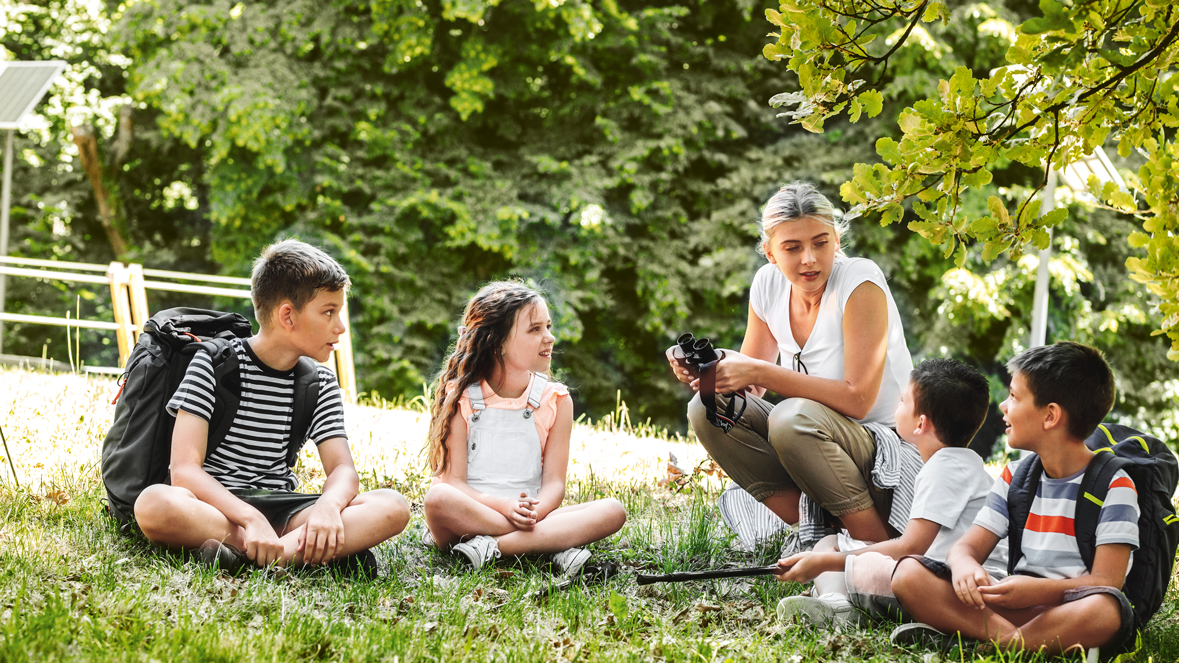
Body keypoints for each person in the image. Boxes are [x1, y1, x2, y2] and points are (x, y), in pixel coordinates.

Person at [134, 240, 411, 577]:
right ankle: (305, 551)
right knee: (154, 504)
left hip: (285, 509)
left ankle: (253, 554)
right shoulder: (213, 362)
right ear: (287, 316)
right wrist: (249, 518)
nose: (340, 326)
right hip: (217, 506)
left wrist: (328, 507)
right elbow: (185, 471)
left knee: (392, 506)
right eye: (329, 312)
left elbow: (342, 471)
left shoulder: (320, 383)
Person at [666, 182, 915, 544]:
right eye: (792, 248)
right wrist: (708, 373)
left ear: (837, 241)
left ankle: (875, 546)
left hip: (881, 448)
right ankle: (816, 532)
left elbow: (857, 400)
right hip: (813, 441)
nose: (809, 258)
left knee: (789, 417)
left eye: (820, 242)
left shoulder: (860, 281)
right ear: (770, 253)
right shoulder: (768, 285)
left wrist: (757, 370)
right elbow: (749, 389)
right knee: (705, 408)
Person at [890, 342, 1138, 661]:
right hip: (1012, 607)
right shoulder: (1015, 477)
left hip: (1072, 611)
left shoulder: (1114, 484)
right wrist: (965, 568)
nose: (1004, 407)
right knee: (909, 575)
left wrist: (1036, 591)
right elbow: (966, 548)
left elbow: (1107, 581)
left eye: (1014, 397)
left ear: (1050, 416)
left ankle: (990, 646)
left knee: (1107, 610)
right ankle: (1017, 642)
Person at [771, 358, 1008, 627]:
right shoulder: (964, 463)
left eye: (903, 401)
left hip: (950, 588)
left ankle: (837, 607)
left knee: (832, 550)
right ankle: (846, 601)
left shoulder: (943, 468)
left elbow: (910, 547)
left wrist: (825, 562)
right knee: (836, 545)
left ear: (920, 424)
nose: (898, 404)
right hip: (962, 583)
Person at [420, 281, 626, 576]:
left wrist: (534, 514)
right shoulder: (460, 396)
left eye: (548, 327)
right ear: (497, 342)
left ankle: (492, 548)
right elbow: (455, 484)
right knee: (437, 499)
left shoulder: (556, 400)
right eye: (535, 329)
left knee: (613, 510)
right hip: (472, 512)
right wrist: (506, 509)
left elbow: (554, 484)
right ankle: (553, 542)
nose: (549, 337)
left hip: (532, 513)